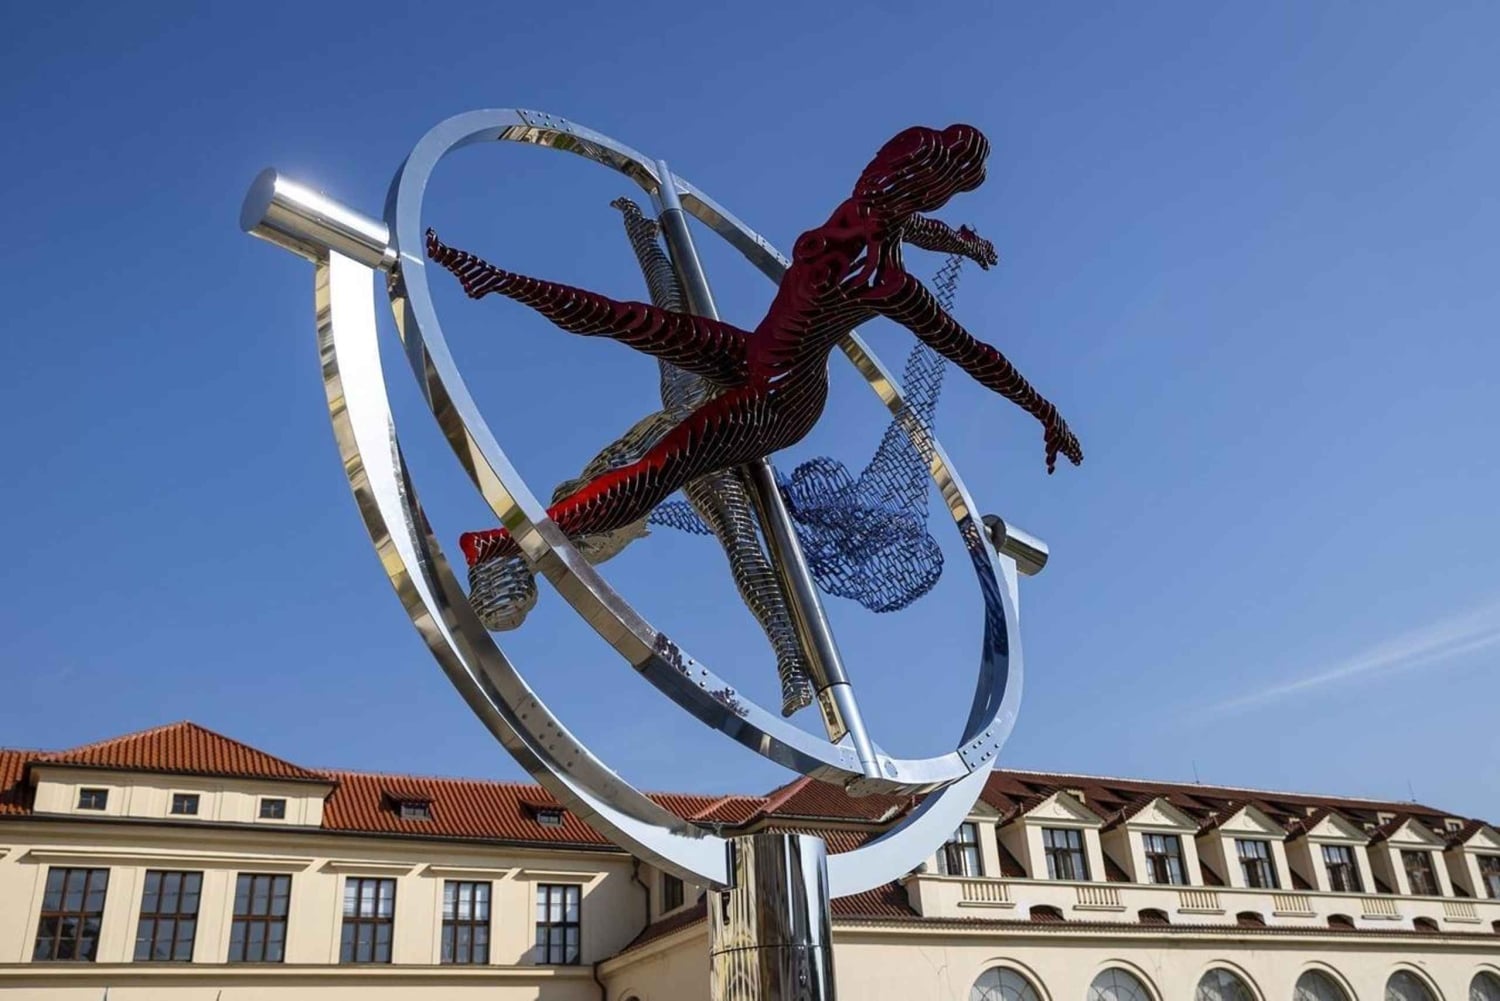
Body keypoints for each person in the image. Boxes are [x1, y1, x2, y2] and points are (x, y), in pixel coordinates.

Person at [426, 123, 1082, 574]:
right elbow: (920, 225)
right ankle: (498, 281)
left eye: (888, 176)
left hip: (779, 397)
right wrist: (961, 243)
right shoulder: (872, 208)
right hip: (756, 352)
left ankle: (509, 545)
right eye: (877, 169)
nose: (871, 179)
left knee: (661, 466)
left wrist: (1043, 409)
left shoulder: (884, 279)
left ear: (907, 184)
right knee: (634, 319)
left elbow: (975, 353)